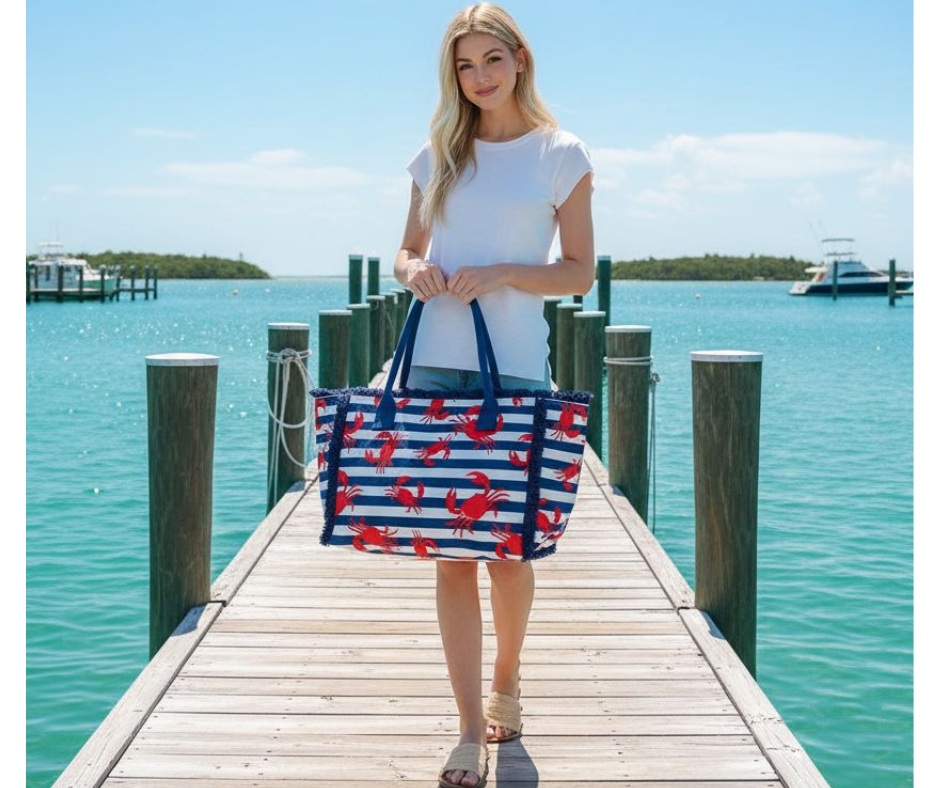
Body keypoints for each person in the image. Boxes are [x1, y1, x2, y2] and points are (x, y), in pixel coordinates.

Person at [392, 4, 595, 787]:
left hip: (513, 372)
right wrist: (415, 271)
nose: (479, 77)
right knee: (450, 558)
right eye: (464, 65)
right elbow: (405, 250)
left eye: (491, 60)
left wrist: (503, 272)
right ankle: (469, 727)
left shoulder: (560, 153)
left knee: (509, 554)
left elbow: (578, 272)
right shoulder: (438, 152)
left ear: (519, 59)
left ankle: (507, 676)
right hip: (432, 369)